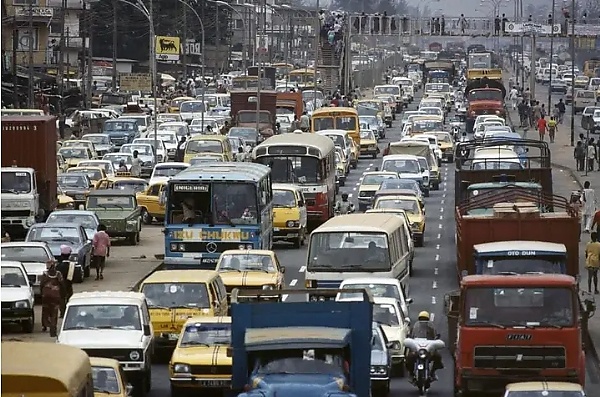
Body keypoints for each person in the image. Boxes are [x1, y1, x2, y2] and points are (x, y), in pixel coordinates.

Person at [406, 311, 443, 381]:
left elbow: (435, 336)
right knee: (409, 358)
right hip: (418, 349)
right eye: (422, 319)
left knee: (438, 356)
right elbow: (411, 335)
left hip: (428, 348)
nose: (423, 321)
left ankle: (432, 372)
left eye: (425, 319)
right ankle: (411, 373)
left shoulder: (431, 327)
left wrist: (435, 339)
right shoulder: (415, 326)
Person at [40, 260, 64, 336]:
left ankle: (45, 325)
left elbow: (41, 285)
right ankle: (53, 328)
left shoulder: (44, 274)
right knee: (54, 312)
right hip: (55, 297)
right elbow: (62, 284)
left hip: (46, 297)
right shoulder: (58, 274)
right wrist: (62, 295)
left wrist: (42, 294)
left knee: (45, 311)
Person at [55, 245, 75, 317]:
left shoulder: (58, 266)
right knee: (69, 297)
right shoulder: (72, 265)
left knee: (61, 299)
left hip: (61, 285)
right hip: (69, 284)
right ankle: (69, 312)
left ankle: (62, 313)